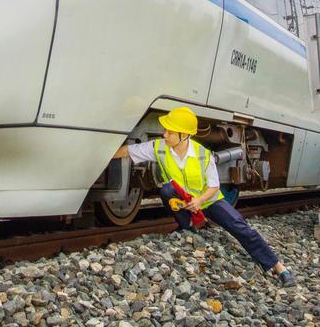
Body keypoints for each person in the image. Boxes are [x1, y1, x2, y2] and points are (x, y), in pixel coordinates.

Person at [113, 106, 296, 287]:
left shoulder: (203, 154)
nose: (164, 134)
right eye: (165, 130)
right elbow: (129, 151)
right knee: (166, 191)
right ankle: (188, 228)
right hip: (185, 199)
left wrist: (199, 201)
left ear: (184, 135)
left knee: (239, 226)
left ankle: (279, 267)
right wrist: (103, 156)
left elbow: (214, 186)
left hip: (208, 200)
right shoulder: (159, 147)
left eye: (170, 131)